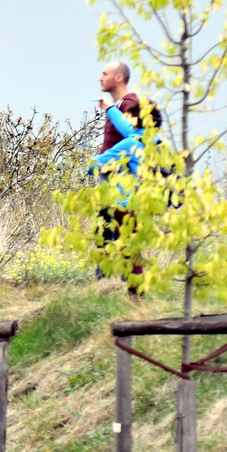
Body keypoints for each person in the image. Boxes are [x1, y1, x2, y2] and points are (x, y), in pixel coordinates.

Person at [92, 61, 163, 292]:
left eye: (105, 74)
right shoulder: (118, 104)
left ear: (119, 78)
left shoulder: (130, 104)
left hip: (120, 181)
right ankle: (110, 283)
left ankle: (118, 284)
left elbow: (133, 135)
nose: (100, 78)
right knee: (106, 228)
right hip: (112, 176)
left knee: (117, 230)